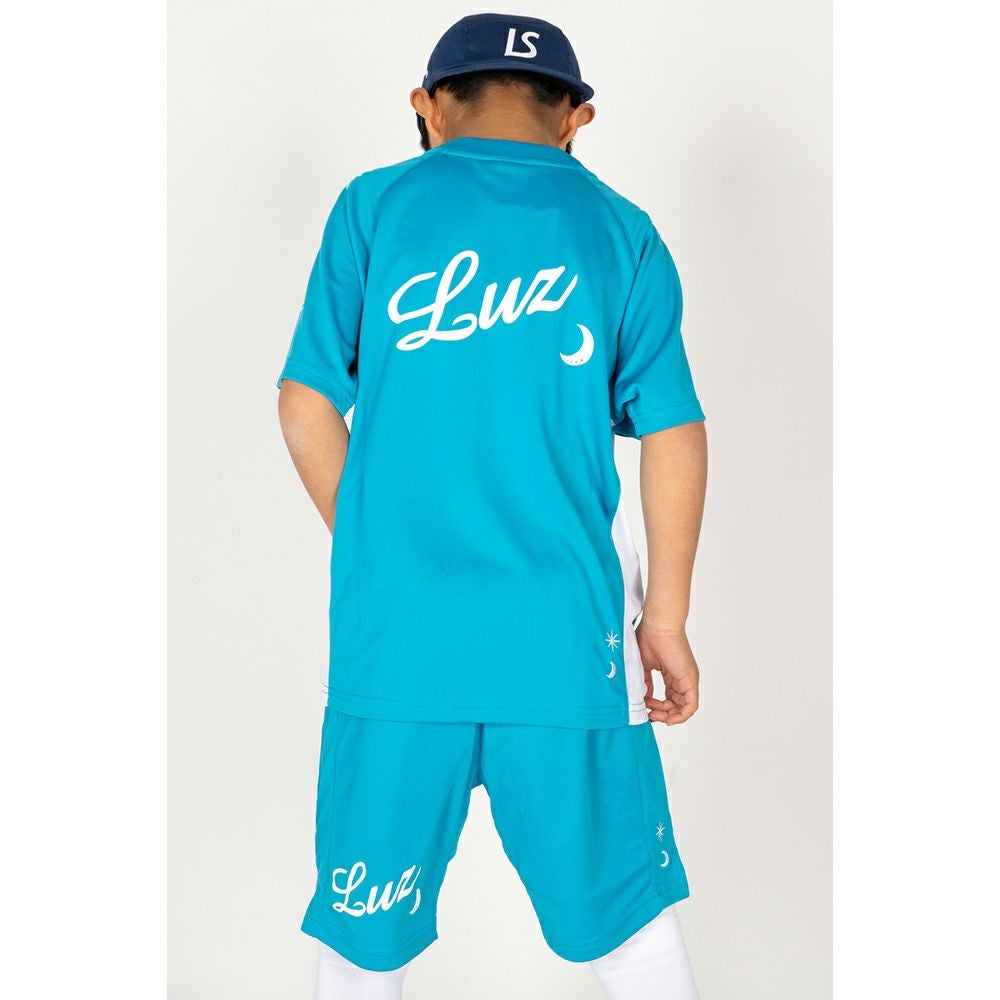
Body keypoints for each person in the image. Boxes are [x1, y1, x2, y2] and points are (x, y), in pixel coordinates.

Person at [277, 13, 707, 999]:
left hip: (398, 644)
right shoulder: (621, 230)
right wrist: (666, 618)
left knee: (361, 936)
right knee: (629, 924)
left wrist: (376, 538)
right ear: (576, 117)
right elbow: (675, 430)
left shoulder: (373, 208)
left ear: (428, 106)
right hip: (566, 645)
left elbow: (304, 402)